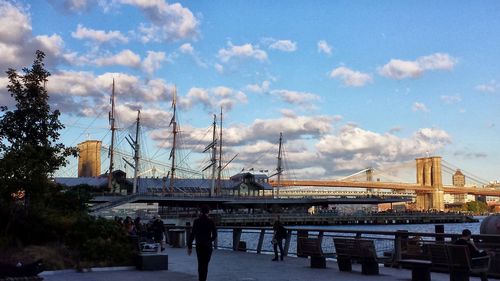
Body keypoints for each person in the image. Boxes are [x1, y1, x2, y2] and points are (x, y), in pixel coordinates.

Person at [188, 205, 217, 281]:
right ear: (208, 212)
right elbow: (215, 235)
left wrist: (189, 246)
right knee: (205, 264)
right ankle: (203, 279)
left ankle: (201, 279)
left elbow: (192, 234)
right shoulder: (211, 221)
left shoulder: (196, 221)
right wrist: (210, 240)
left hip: (199, 245)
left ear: (201, 212)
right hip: (207, 246)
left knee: (200, 263)